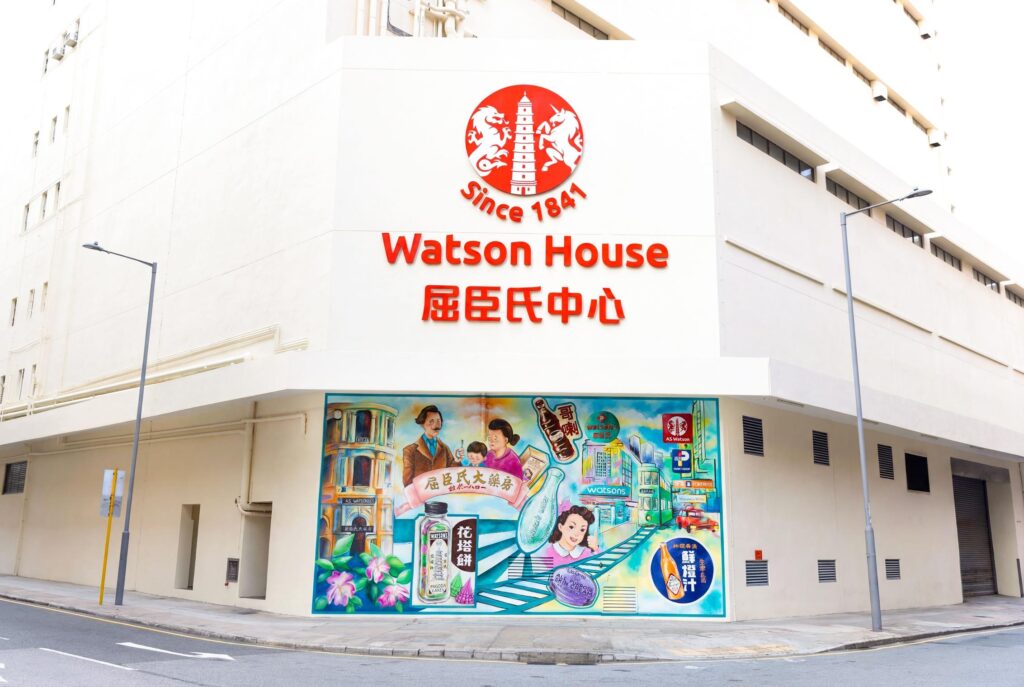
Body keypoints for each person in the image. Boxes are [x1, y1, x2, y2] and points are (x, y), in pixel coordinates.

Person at [402, 405, 458, 487]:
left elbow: (455, 474)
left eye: (438, 421)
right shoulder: (409, 450)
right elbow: (407, 482)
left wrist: (457, 460)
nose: (436, 425)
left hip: (442, 493)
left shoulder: (445, 448)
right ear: (422, 423)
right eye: (431, 421)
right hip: (420, 493)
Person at [545, 502, 598, 566]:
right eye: (571, 527)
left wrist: (595, 549)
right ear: (560, 527)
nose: (576, 534)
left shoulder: (587, 553)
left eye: (582, 530)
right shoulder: (547, 552)